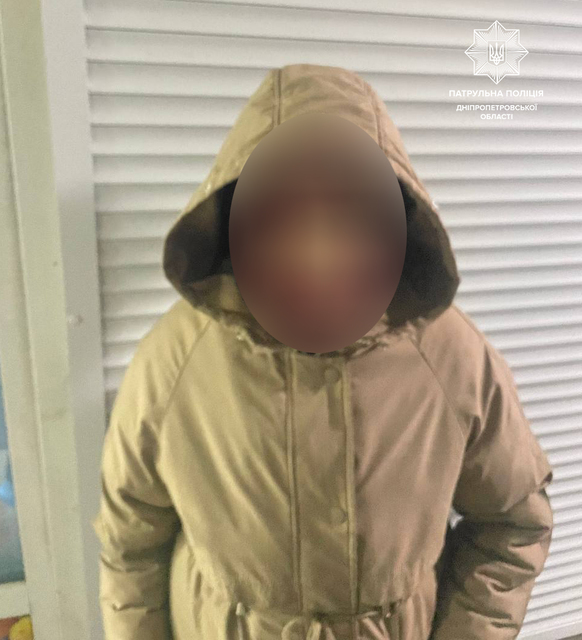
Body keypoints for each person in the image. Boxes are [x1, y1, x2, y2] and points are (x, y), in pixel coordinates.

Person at [91, 63, 554, 640]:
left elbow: (513, 525)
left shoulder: (451, 360)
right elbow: (129, 545)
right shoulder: (174, 362)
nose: (317, 252)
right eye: (283, 217)